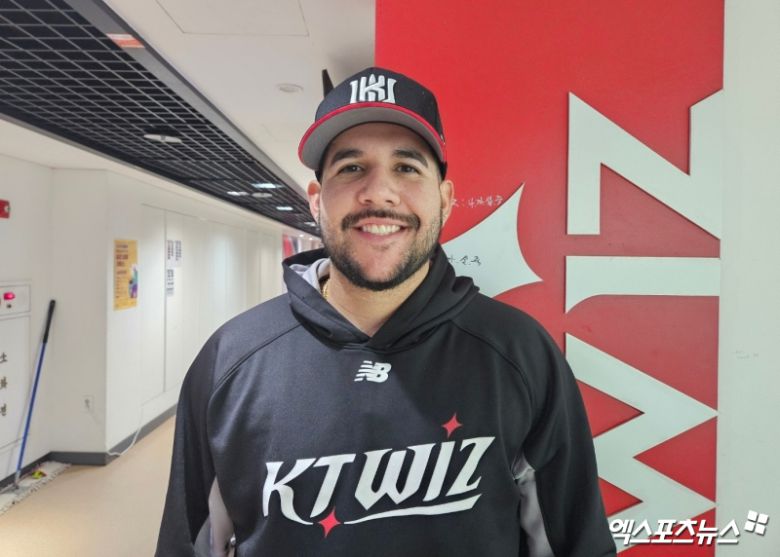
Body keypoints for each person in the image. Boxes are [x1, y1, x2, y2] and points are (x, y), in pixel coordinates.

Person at [156, 67, 616, 557]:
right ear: (317, 200)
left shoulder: (519, 354)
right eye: (351, 168)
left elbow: (576, 545)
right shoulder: (231, 360)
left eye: (407, 168)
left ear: (445, 199)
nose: (379, 192)